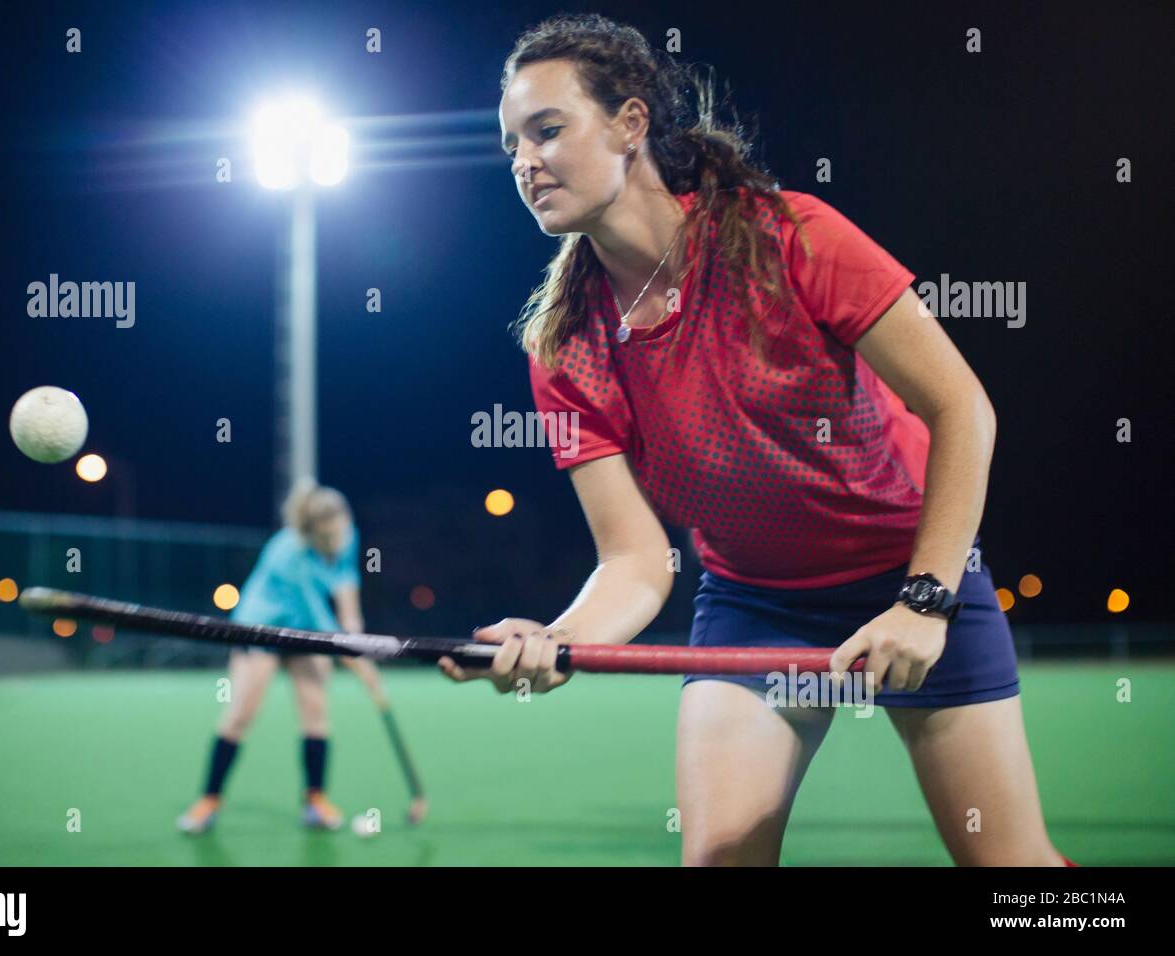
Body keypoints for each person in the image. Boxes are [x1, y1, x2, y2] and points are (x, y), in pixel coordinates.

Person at [441, 13, 1075, 867]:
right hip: (756, 604)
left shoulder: (791, 236)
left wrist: (927, 599)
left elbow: (962, 409)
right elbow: (635, 560)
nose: (525, 161)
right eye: (512, 143)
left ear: (631, 124)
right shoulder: (562, 349)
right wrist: (558, 638)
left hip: (915, 570)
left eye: (549, 130)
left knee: (1015, 875)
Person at [177, 478, 388, 833]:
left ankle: (315, 801)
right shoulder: (288, 551)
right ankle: (208, 800)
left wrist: (358, 640)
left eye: (342, 530)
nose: (338, 539)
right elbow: (323, 620)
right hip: (260, 626)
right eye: (328, 536)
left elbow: (346, 588)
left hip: (304, 628)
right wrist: (355, 659)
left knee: (316, 712)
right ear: (311, 532)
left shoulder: (346, 535)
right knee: (241, 713)